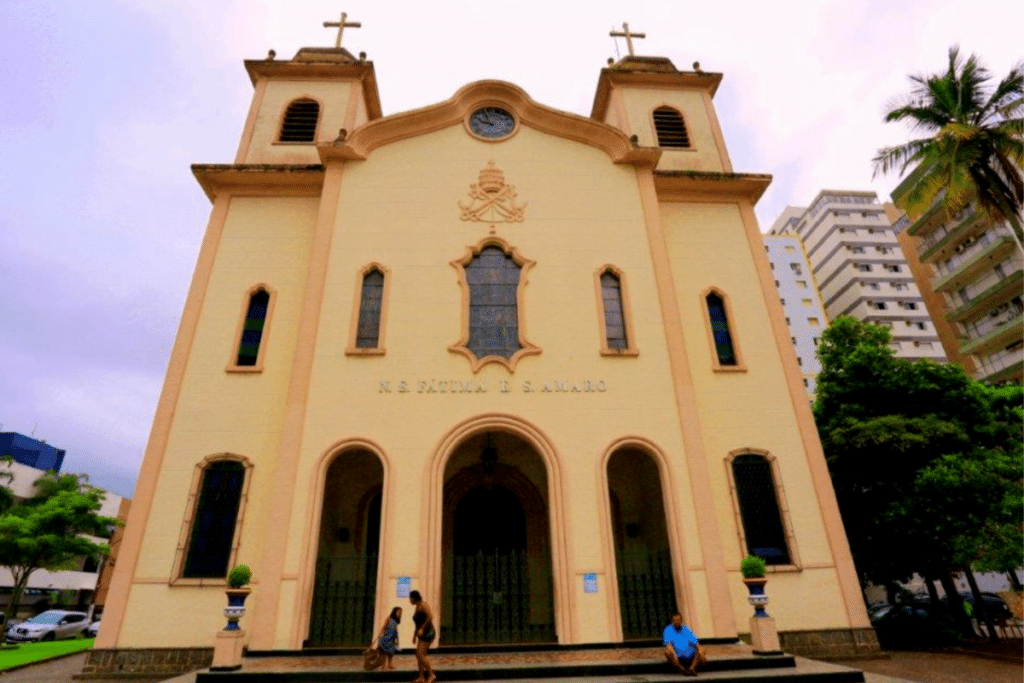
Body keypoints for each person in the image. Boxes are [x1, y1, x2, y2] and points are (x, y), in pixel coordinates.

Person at [663, 612, 705, 676]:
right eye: (676, 620)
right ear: (672, 621)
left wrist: (700, 650)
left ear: (681, 620)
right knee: (668, 652)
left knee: (702, 648)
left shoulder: (686, 628)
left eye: (679, 620)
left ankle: (692, 668)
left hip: (690, 653)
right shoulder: (668, 630)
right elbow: (668, 644)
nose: (677, 622)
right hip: (677, 655)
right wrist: (673, 654)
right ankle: (682, 669)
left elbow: (695, 641)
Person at [409, 590, 436, 683]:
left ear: (414, 598)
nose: (410, 600)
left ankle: (431, 674)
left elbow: (430, 617)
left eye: (410, 598)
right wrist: (414, 635)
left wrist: (422, 629)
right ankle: (421, 677)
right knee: (419, 655)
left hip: (429, 632)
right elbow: (417, 624)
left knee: (421, 654)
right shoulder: (417, 607)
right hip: (421, 633)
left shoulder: (423, 605)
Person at [375, 606, 402, 671]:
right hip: (386, 637)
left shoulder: (396, 621)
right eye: (398, 612)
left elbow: (396, 630)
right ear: (394, 612)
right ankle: (383, 665)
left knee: (391, 652)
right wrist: (380, 634)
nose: (400, 614)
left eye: (401, 613)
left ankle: (390, 664)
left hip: (392, 638)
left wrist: (397, 639)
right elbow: (384, 626)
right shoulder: (389, 618)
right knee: (384, 652)